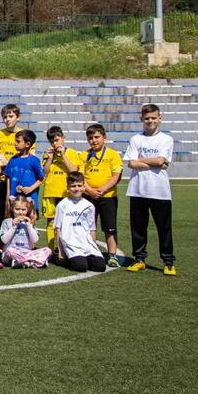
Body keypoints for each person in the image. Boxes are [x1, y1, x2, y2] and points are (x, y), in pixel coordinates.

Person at [123, 104, 176, 275]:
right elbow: (131, 163)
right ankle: (139, 259)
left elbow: (162, 161)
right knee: (138, 227)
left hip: (160, 190)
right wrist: (154, 161)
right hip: (137, 190)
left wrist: (142, 160)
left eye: (153, 118)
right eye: (147, 118)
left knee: (164, 227)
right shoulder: (135, 139)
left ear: (160, 118)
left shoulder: (166, 139)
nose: (150, 121)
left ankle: (168, 261)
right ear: (141, 120)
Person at [82, 123, 123, 266]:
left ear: (104, 138)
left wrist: (103, 189)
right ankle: (91, 252)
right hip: (88, 196)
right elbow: (81, 177)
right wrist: (89, 190)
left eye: (97, 137)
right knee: (88, 227)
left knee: (109, 228)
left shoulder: (113, 155)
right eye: (90, 138)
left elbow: (116, 176)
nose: (94, 140)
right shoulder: (85, 155)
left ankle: (112, 255)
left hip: (108, 197)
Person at [40, 126, 83, 251]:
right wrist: (50, 158)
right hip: (51, 192)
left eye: (57, 140)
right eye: (52, 141)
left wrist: (63, 156)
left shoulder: (72, 153)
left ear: (63, 138)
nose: (54, 143)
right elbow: (45, 171)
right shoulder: (48, 154)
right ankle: (50, 249)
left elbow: (74, 171)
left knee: (66, 222)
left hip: (66, 192)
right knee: (51, 221)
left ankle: (64, 248)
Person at [54, 172, 106, 272]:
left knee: (100, 266)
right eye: (73, 186)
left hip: (86, 243)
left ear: (84, 187)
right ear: (68, 188)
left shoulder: (89, 205)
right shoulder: (62, 205)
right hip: (71, 243)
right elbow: (58, 228)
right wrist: (60, 250)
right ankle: (62, 258)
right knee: (81, 267)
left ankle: (86, 257)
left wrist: (94, 245)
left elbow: (92, 229)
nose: (77, 189)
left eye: (79, 185)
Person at [0, 104, 24, 237]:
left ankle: (20, 239)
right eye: (5, 117)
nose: (7, 119)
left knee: (18, 210)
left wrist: (10, 163)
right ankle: (0, 241)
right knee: (1, 211)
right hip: (1, 179)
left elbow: (28, 155)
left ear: (18, 117)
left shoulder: (24, 134)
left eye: (11, 116)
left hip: (18, 181)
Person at [0, 196, 51, 268]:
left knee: (47, 250)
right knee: (10, 251)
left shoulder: (29, 223)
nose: (20, 212)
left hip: (27, 252)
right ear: (12, 209)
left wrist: (29, 226)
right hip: (11, 254)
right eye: (17, 209)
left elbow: (35, 240)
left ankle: (23, 262)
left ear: (27, 210)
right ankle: (32, 262)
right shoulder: (7, 222)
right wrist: (13, 227)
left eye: (23, 210)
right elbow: (4, 240)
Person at [3, 130, 45, 214]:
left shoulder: (34, 160)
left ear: (28, 144)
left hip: (30, 199)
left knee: (30, 223)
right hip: (14, 199)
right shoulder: (12, 159)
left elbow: (41, 178)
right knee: (14, 223)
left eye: (18, 141)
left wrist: (30, 188)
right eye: (15, 141)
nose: (15, 143)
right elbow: (8, 177)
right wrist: (8, 195)